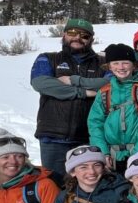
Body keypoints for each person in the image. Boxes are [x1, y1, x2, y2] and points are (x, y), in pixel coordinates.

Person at [30, 17, 107, 176]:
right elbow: (41, 83)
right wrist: (83, 92)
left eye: (84, 36)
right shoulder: (48, 58)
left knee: (88, 186)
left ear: (91, 39)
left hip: (88, 137)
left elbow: (110, 84)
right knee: (54, 186)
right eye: (72, 32)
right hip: (53, 137)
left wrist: (73, 81)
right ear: (64, 35)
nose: (77, 38)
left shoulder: (102, 62)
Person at [86, 44, 138, 173]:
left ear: (134, 65)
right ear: (109, 66)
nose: (121, 67)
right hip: (111, 157)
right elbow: (95, 123)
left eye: (125, 63)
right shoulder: (104, 92)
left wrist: (137, 153)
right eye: (115, 63)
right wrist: (103, 152)